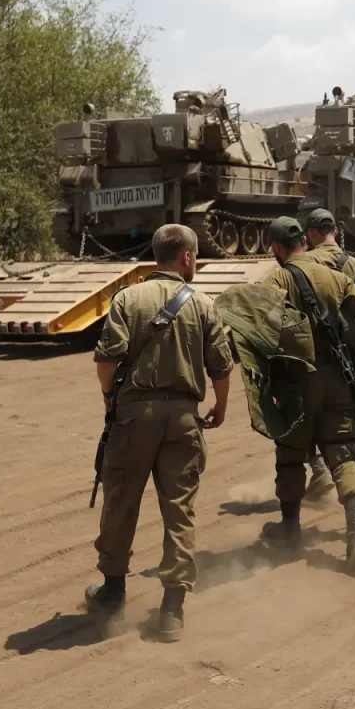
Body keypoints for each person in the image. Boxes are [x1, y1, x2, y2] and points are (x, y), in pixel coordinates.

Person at [84, 224, 233, 642]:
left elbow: (106, 360)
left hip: (134, 417)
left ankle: (113, 593)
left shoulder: (127, 299)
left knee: (120, 500)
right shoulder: (203, 304)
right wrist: (220, 407)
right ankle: (171, 611)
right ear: (186, 257)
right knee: (179, 510)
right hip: (183, 419)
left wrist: (110, 400)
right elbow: (221, 366)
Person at [258, 217, 355, 574]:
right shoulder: (335, 276)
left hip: (296, 382)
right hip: (337, 380)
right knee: (343, 453)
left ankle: (290, 531)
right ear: (304, 240)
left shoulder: (276, 279)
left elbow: (259, 327)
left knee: (290, 456)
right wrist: (352, 343)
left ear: (277, 247)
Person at [301, 208, 355, 496]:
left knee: (302, 417)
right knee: (347, 415)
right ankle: (346, 466)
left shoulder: (302, 264)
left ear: (311, 234)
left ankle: (319, 467)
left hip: (310, 356)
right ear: (336, 232)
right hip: (347, 356)